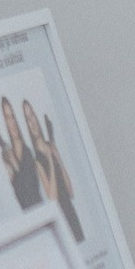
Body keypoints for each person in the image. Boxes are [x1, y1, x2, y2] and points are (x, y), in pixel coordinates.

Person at [24, 99, 84, 242]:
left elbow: (70, 191)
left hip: (72, 213)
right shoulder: (37, 159)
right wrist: (50, 159)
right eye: (27, 119)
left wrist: (57, 157)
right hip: (61, 219)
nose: (32, 122)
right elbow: (52, 198)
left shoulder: (50, 145)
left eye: (32, 116)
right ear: (26, 125)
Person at [0, 94, 42, 209]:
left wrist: (15, 164)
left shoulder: (27, 152)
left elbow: (32, 189)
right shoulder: (6, 155)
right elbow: (18, 193)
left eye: (13, 117)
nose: (12, 122)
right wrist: (10, 161)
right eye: (7, 118)